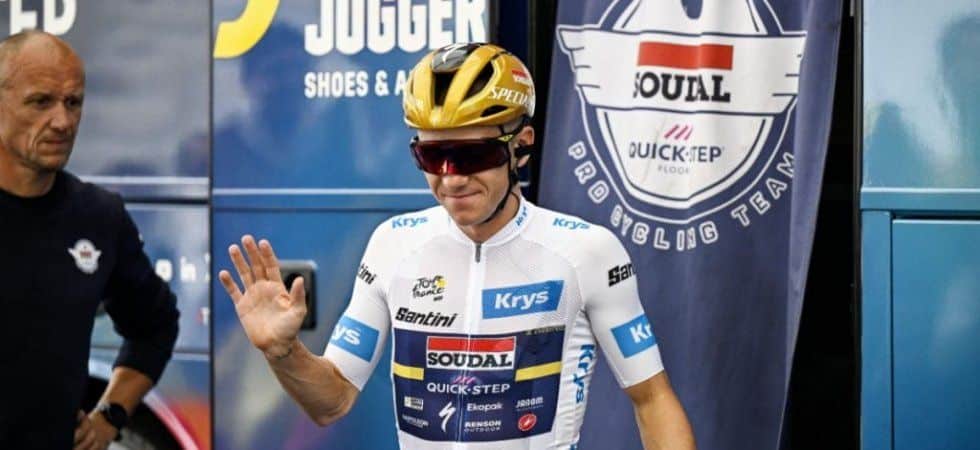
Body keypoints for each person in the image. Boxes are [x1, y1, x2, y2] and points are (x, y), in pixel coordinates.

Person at [220, 43, 696, 449]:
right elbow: (332, 401)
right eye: (432, 156)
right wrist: (283, 352)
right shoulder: (392, 244)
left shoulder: (586, 252)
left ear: (521, 145)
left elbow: (652, 399)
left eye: (473, 155)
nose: (451, 179)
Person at [0, 30, 179, 449]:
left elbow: (155, 325)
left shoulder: (98, 217)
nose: (62, 121)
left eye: (73, 102)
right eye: (40, 101)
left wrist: (109, 416)